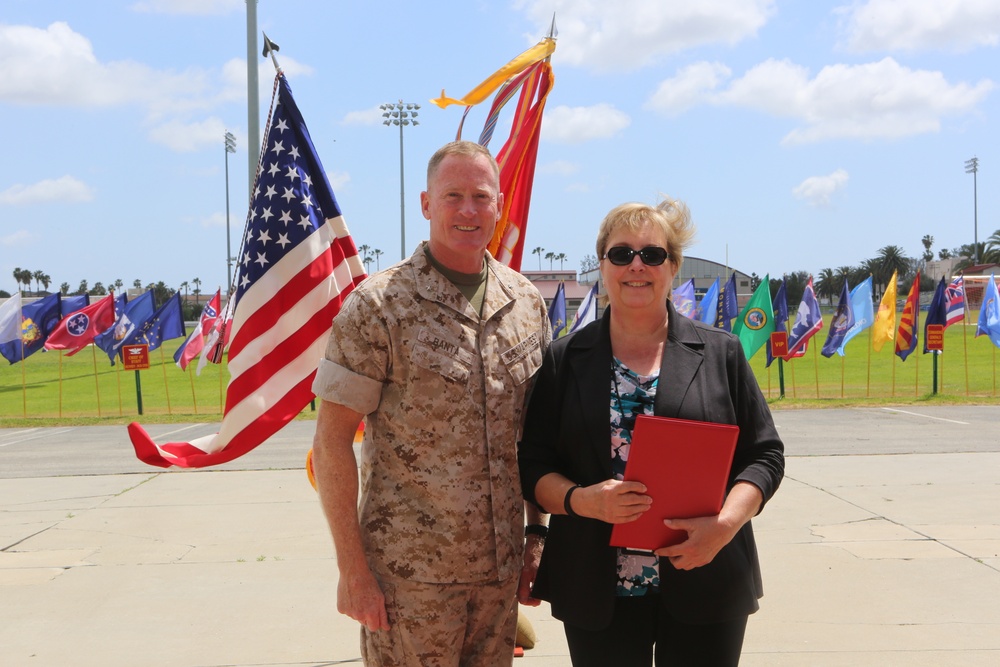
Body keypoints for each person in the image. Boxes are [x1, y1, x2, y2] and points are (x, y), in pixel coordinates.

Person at [311, 140, 551, 666]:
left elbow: (536, 438)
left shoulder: (525, 303)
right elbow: (330, 443)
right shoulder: (379, 304)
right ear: (426, 204)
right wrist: (353, 570)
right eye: (453, 196)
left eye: (481, 197)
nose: (468, 210)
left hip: (498, 574)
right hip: (408, 580)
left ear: (498, 205)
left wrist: (535, 535)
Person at [517, 198, 784, 666]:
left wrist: (724, 526)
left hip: (707, 574)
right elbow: (533, 464)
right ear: (602, 265)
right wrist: (584, 500)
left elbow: (764, 457)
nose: (636, 265)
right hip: (596, 587)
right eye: (621, 254)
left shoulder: (721, 353)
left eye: (652, 254)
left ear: (673, 266)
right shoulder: (563, 359)